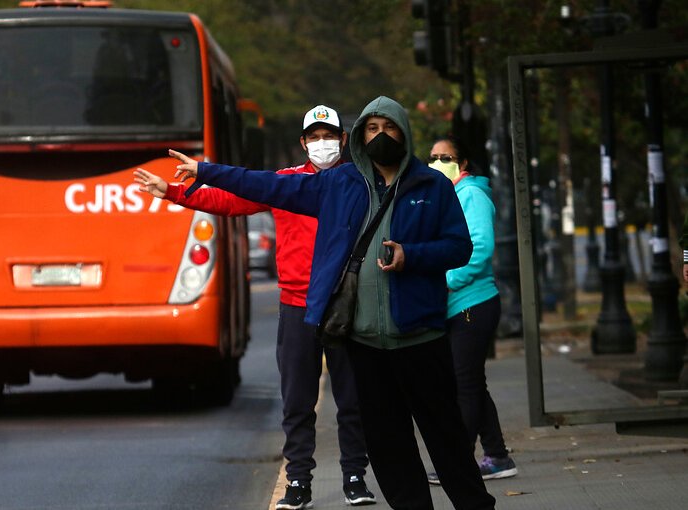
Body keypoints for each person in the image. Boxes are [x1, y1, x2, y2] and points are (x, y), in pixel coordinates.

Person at [152, 96, 497, 510]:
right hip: (356, 335)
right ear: (358, 136)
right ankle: (340, 488)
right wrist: (202, 174)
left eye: (389, 128)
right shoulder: (338, 185)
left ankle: (434, 495)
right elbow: (261, 186)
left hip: (420, 338)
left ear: (402, 133)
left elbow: (459, 248)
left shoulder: (431, 186)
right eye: (373, 129)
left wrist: (412, 256)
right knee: (384, 442)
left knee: (444, 439)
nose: (380, 136)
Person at [135, 105, 376, 509]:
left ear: (343, 140)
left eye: (328, 135)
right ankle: (298, 483)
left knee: (352, 397)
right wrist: (174, 192)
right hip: (297, 306)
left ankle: (355, 477)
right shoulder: (285, 184)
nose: (322, 143)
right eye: (314, 137)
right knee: (297, 400)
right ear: (302, 143)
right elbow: (232, 199)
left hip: (344, 303)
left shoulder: (356, 184)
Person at [425, 136, 517, 484]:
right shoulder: (447, 196)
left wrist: (447, 280)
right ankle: (497, 455)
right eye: (432, 157)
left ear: (462, 163)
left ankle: (457, 465)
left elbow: (480, 247)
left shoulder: (471, 195)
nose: (436, 163)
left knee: (462, 387)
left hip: (472, 304)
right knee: (472, 384)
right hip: (459, 307)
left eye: (444, 157)